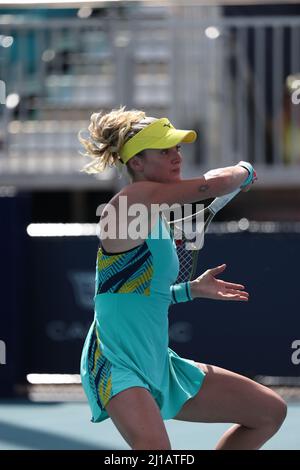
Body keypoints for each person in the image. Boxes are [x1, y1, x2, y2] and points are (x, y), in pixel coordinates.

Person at [79, 107, 287, 450]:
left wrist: (189, 290)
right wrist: (245, 170)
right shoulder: (131, 201)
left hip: (158, 361)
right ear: (137, 163)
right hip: (116, 362)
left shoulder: (154, 217)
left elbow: (135, 291)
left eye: (177, 148)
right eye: (164, 150)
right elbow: (216, 183)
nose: (176, 156)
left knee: (269, 412)